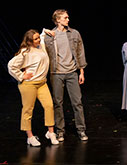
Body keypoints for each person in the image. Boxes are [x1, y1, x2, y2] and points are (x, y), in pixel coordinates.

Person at [7, 29, 59, 146]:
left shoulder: (41, 46)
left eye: (38, 38)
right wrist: (21, 75)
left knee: (49, 106)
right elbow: (11, 66)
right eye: (35, 39)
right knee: (28, 110)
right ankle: (30, 137)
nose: (39, 40)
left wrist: (45, 31)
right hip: (29, 84)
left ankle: (50, 133)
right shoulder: (25, 52)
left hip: (42, 83)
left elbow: (42, 34)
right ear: (29, 41)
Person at [44, 9, 88, 141]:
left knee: (77, 103)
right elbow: (37, 42)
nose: (68, 20)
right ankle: (60, 131)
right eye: (65, 18)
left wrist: (81, 71)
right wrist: (44, 31)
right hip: (56, 73)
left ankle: (81, 130)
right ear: (57, 20)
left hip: (72, 73)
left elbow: (80, 52)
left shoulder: (74, 34)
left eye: (68, 17)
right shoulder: (49, 35)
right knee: (58, 103)